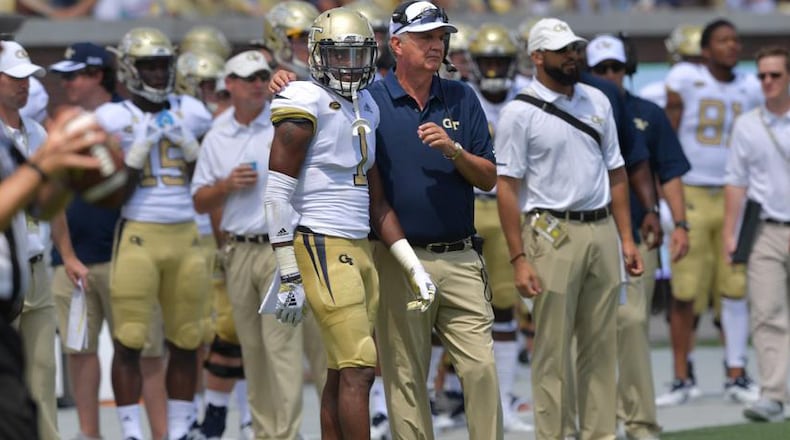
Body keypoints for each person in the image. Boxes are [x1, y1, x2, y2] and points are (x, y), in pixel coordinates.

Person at [263, 7, 437, 439]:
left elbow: (378, 204)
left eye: (358, 54)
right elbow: (276, 194)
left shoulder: (367, 107)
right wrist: (287, 271)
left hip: (359, 244)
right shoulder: (302, 99)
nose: (349, 65)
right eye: (339, 55)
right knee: (360, 366)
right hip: (320, 240)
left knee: (344, 370)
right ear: (318, 55)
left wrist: (414, 267)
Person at [496, 18, 643, 439]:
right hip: (548, 232)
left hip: (601, 229)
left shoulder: (597, 99)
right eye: (562, 50)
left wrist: (627, 238)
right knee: (552, 350)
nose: (573, 56)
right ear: (537, 56)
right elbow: (507, 189)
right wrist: (519, 258)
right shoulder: (519, 112)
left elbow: (617, 172)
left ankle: (600, 434)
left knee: (601, 347)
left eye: (575, 48)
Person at [371, 2, 502, 438]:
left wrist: (453, 150)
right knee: (406, 376)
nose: (436, 45)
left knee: (481, 366)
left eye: (440, 36)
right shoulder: (370, 99)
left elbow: (488, 177)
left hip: (461, 255)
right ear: (397, 44)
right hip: (399, 258)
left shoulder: (462, 95)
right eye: (425, 37)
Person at [193, 49, 320, 440]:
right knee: (253, 351)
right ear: (227, 84)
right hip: (238, 250)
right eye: (246, 78)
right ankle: (266, 433)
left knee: (281, 348)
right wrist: (226, 186)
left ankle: (287, 434)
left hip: (280, 247)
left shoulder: (284, 118)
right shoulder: (216, 134)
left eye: (260, 76)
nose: (255, 84)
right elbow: (199, 199)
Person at [46, 41, 170, 440]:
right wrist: (64, 253)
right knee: (80, 353)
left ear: (97, 74)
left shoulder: (131, 117)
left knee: (146, 352)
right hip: (70, 258)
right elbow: (55, 194)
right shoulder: (63, 123)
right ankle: (89, 435)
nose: (67, 84)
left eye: (73, 75)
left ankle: (160, 434)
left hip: (126, 254)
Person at [96, 27, 213, 440]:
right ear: (128, 68)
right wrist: (133, 157)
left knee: (187, 337)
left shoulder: (194, 113)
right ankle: (130, 430)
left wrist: (195, 150)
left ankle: (180, 429)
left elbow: (208, 185)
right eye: (149, 65)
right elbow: (107, 196)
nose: (159, 74)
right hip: (138, 231)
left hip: (186, 233)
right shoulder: (110, 118)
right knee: (129, 338)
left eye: (163, 65)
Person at [587, 34, 691, 440]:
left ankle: (640, 421)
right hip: (588, 230)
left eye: (616, 68)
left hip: (637, 234)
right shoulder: (577, 109)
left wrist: (679, 224)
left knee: (632, 324)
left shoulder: (648, 113)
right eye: (601, 70)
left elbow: (669, 172)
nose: (610, 76)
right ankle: (601, 422)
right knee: (592, 330)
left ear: (626, 69)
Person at [658, 18, 762, 407]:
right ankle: (682, 377)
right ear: (705, 49)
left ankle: (736, 373)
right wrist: (665, 197)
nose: (732, 46)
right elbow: (668, 136)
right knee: (685, 291)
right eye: (722, 40)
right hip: (693, 192)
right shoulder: (686, 77)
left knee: (734, 289)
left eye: (735, 40)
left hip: (736, 194)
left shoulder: (750, 85)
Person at [0, 106, 108, 439]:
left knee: (37, 379)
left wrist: (69, 173)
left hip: (28, 270)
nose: (24, 85)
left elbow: (43, 206)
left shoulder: (25, 135)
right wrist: (41, 166)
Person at [465, 22, 533, 434]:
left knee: (505, 308)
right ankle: (442, 397)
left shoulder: (527, 97)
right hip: (468, 207)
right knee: (448, 309)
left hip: (510, 207)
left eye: (498, 62)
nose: (492, 70)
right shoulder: (461, 95)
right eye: (486, 62)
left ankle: (504, 401)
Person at [723, 45, 790, 424]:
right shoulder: (747, 124)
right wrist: (729, 235)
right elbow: (736, 182)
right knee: (767, 313)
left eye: (775, 75)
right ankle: (773, 394)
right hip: (764, 229)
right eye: (761, 75)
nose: (767, 82)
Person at [0, 38, 60, 440]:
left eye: (28, 78)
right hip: (3, 275)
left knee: (44, 373)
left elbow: (52, 207)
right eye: (14, 77)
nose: (24, 86)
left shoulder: (38, 131)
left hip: (39, 268)